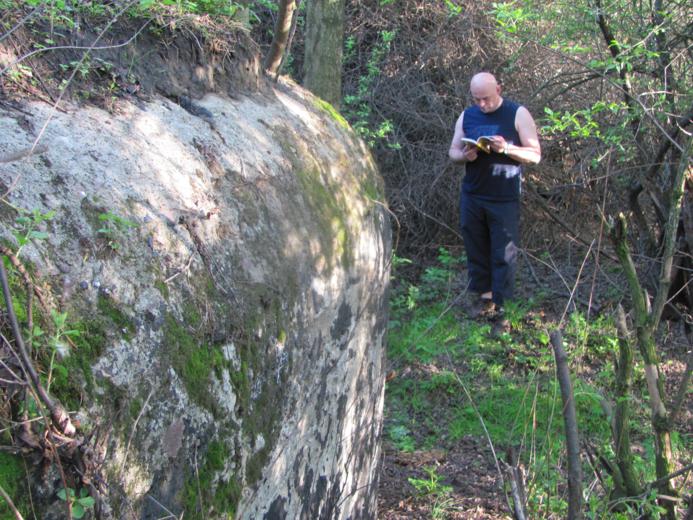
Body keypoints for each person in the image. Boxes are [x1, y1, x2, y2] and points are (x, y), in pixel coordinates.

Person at [448, 72, 541, 330]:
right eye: (476, 99)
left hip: (504, 197)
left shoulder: (517, 113)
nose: (481, 104)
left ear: (498, 89)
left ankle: (503, 310)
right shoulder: (467, 115)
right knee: (476, 248)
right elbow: (453, 151)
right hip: (473, 193)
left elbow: (535, 155)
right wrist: (465, 156)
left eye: (486, 99)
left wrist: (507, 149)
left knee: (504, 254)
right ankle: (484, 300)